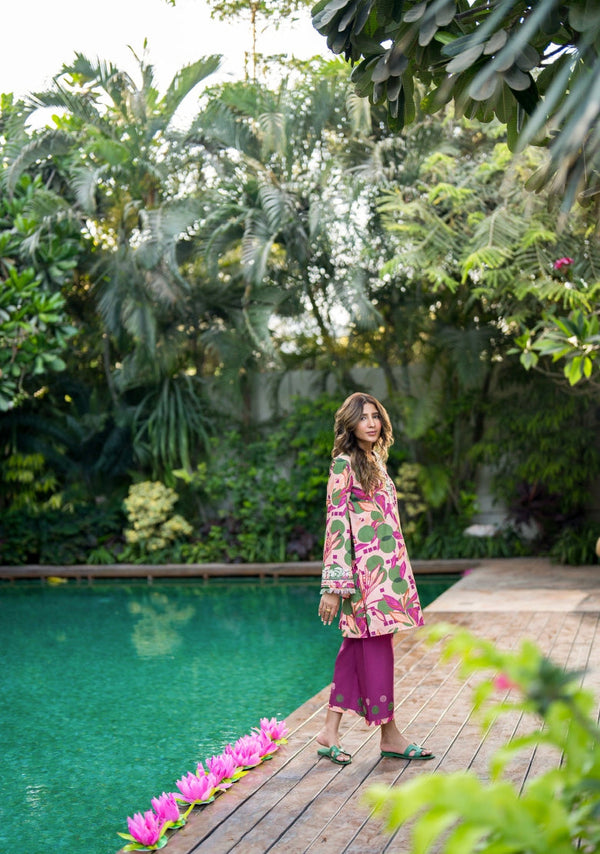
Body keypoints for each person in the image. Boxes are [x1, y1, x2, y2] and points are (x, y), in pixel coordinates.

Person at [316, 392, 434, 765]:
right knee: (376, 649)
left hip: (389, 577)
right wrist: (335, 588)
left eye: (375, 416)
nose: (371, 422)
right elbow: (336, 526)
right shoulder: (343, 465)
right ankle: (391, 736)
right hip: (363, 581)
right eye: (363, 417)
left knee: (356, 647)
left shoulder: (374, 462)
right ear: (349, 425)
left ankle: (329, 732)